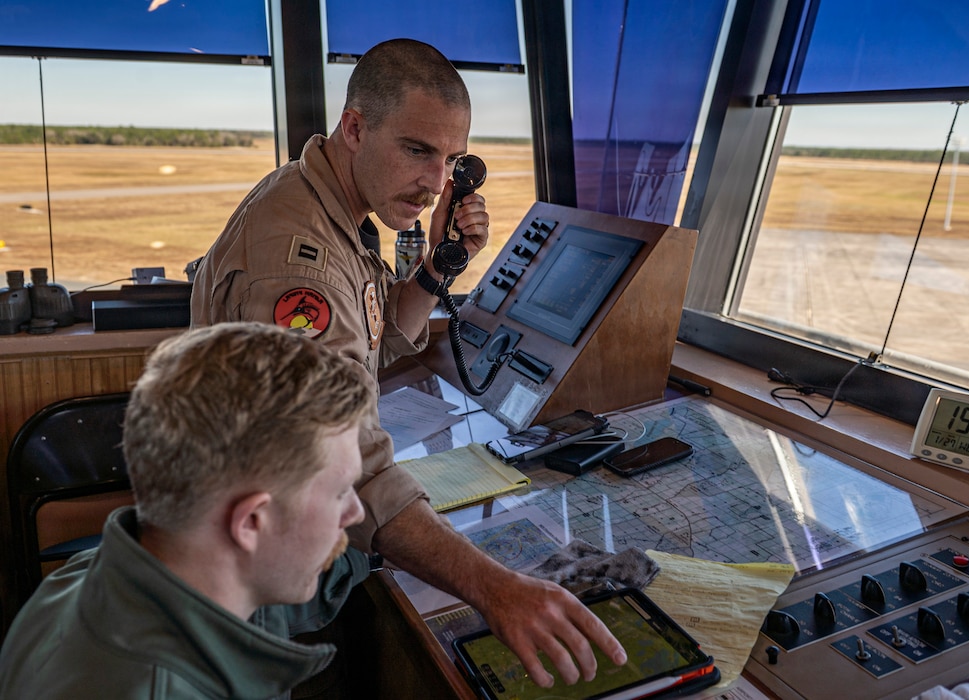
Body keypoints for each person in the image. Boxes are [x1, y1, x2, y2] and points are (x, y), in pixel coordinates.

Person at [190, 38, 627, 687]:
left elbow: (374, 337)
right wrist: (497, 589)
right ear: (356, 126)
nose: (435, 183)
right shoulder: (295, 263)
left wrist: (440, 265)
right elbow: (348, 472)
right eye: (418, 150)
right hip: (255, 570)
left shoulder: (328, 202)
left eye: (451, 159)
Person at [0, 322, 374, 699]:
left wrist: (390, 542)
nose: (356, 512)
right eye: (341, 492)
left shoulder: (82, 578)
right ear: (251, 522)